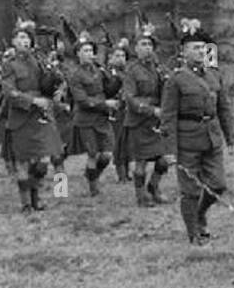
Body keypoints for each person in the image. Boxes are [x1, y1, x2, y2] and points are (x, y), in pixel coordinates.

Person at [163, 19, 234, 245]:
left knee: (218, 185)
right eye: (195, 48)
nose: (201, 51)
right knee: (190, 190)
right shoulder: (175, 80)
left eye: (203, 48)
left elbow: (223, 107)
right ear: (183, 52)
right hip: (187, 141)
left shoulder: (214, 75)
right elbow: (168, 116)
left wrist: (229, 137)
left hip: (212, 138)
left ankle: (201, 214)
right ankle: (194, 232)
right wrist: (170, 150)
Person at [0, 20, 66, 214]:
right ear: (13, 42)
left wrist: (59, 88)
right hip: (22, 116)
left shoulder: (40, 61)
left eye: (27, 38)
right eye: (21, 38)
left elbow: (54, 80)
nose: (25, 41)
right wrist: (32, 101)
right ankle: (27, 203)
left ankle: (60, 192)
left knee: (49, 159)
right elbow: (8, 91)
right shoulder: (9, 65)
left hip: (44, 115)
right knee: (24, 162)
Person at [122, 24, 170, 208]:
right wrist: (151, 109)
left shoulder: (158, 68)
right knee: (141, 162)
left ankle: (154, 187)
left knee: (164, 161)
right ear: (136, 48)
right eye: (143, 44)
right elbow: (130, 98)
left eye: (150, 44)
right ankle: (141, 196)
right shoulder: (132, 70)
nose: (147, 48)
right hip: (139, 121)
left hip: (157, 120)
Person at [65, 33, 118, 196]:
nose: (88, 54)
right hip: (86, 120)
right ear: (78, 54)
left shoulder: (100, 71)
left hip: (102, 118)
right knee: (92, 154)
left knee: (107, 154)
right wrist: (103, 103)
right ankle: (92, 188)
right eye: (84, 50)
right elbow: (82, 100)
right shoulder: (75, 75)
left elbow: (109, 89)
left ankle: (91, 176)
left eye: (90, 50)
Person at [105, 41, 130, 182]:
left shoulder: (128, 73)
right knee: (118, 143)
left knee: (127, 142)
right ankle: (121, 174)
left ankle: (127, 172)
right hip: (114, 112)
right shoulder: (107, 73)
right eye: (117, 55)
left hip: (127, 111)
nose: (120, 58)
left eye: (123, 55)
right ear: (111, 58)